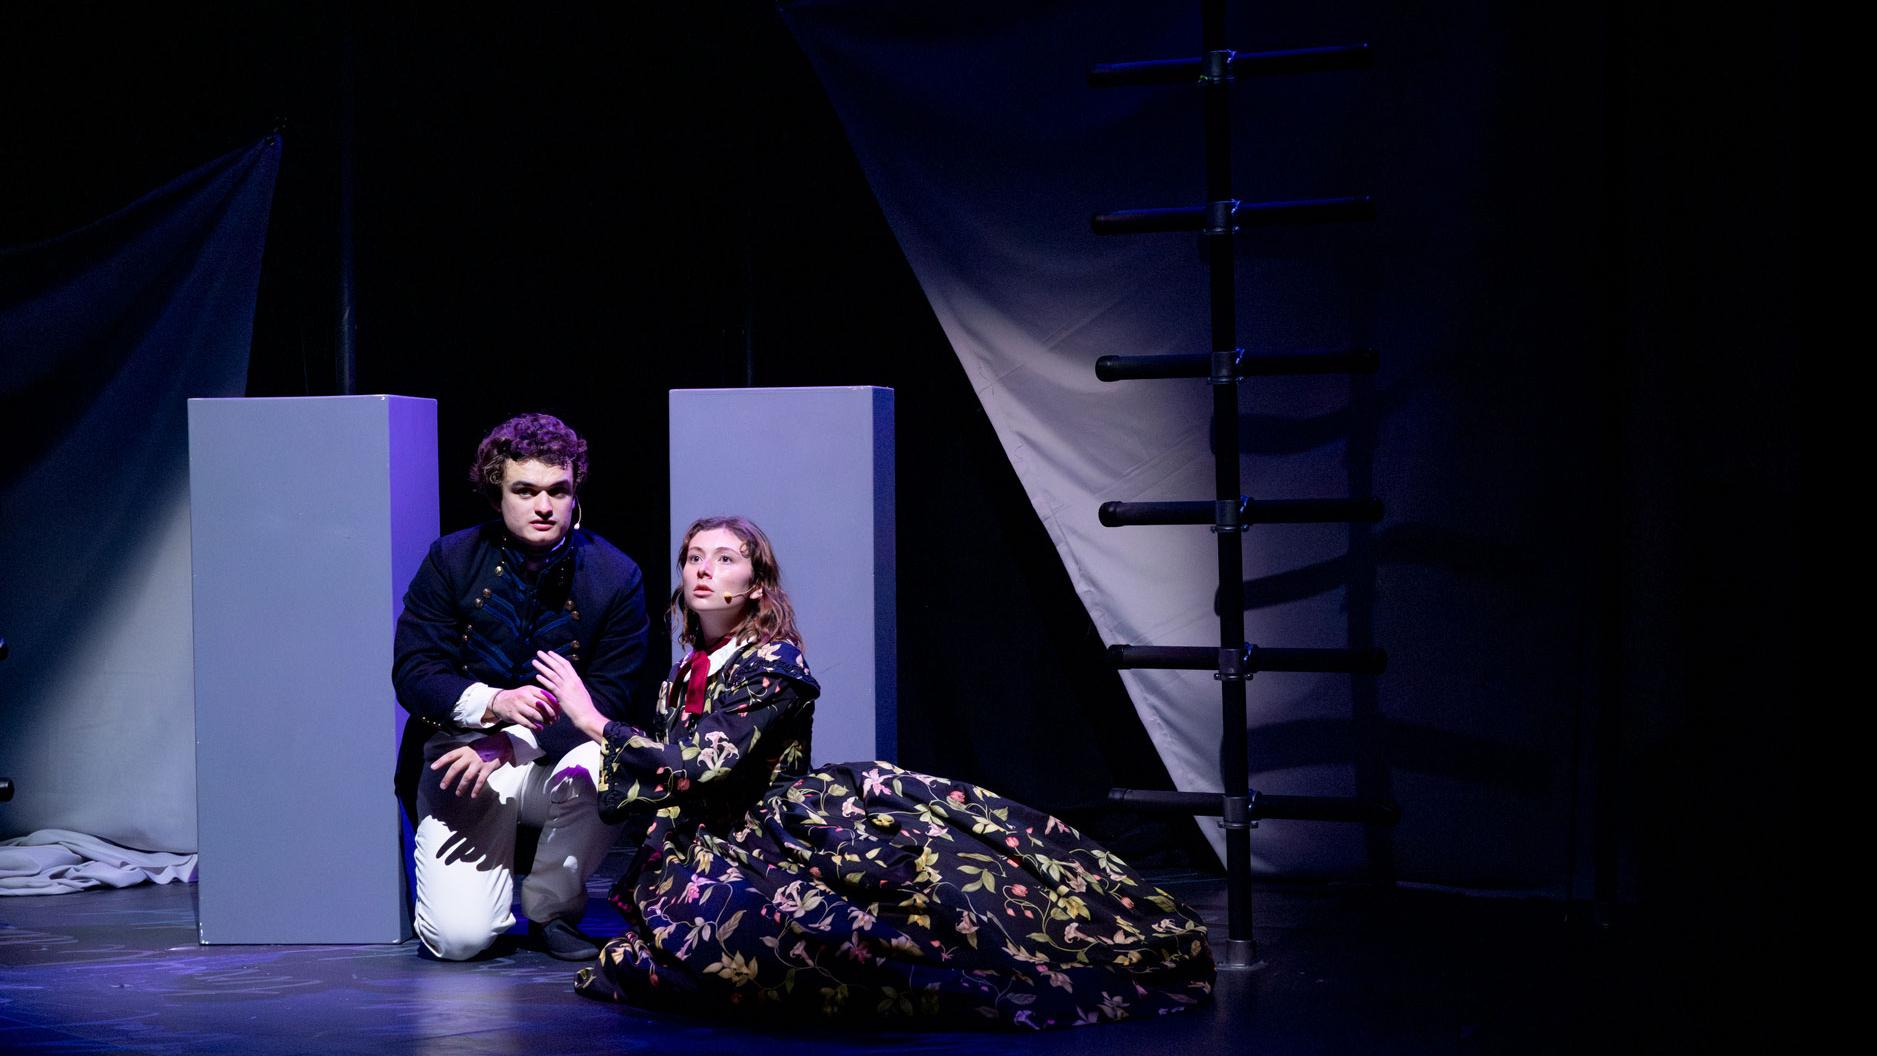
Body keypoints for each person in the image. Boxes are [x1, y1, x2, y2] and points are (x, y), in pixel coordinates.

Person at [534, 515, 1214, 1028]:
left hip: (772, 831)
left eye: (725, 558)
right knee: (647, 963)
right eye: (692, 557)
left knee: (839, 949)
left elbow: (700, 763)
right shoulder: (684, 672)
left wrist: (592, 721)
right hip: (709, 839)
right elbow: (671, 772)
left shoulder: (775, 664)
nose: (703, 569)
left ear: (755, 584)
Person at [393, 413, 649, 961]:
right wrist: (495, 704)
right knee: (458, 941)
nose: (544, 505)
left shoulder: (615, 575)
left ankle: (549, 908)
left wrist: (511, 741)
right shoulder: (452, 560)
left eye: (558, 490)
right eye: (525, 490)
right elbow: (415, 671)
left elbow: (611, 695)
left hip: (553, 756)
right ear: (495, 494)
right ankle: (476, 879)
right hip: (461, 760)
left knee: (615, 762)